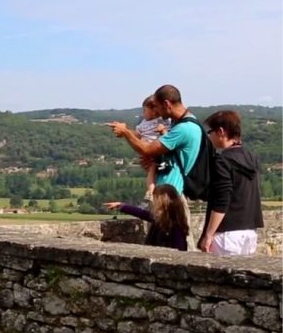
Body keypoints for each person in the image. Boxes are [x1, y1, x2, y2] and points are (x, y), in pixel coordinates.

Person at [106, 84, 203, 249]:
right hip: (168, 192)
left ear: (167, 104)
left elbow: (147, 148)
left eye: (158, 108)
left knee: (174, 242)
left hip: (171, 194)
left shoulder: (183, 129)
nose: (157, 114)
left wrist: (126, 133)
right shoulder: (184, 125)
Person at [198, 110, 263, 255]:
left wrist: (208, 235)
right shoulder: (251, 157)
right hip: (249, 231)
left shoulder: (222, 160)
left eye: (211, 132)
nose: (209, 136)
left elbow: (222, 200)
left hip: (226, 234)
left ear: (221, 131)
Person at [104, 184, 188, 251]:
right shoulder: (161, 219)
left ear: (164, 201)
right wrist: (121, 206)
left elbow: (179, 251)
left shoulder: (176, 226)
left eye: (156, 198)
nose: (154, 201)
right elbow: (142, 213)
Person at [135, 95, 171, 203]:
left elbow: (169, 137)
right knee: (151, 170)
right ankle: (150, 191)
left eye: (145, 110)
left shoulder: (164, 121)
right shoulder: (143, 123)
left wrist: (163, 131)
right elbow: (137, 135)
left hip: (158, 149)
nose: (143, 113)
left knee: (154, 169)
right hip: (147, 150)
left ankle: (152, 191)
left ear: (154, 111)